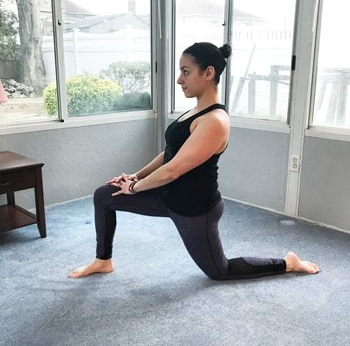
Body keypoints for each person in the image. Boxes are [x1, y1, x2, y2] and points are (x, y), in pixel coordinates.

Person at [69, 42, 320, 279]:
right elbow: (170, 153)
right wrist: (136, 176)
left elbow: (173, 170)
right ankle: (104, 261)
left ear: (208, 72)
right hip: (167, 196)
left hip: (194, 209)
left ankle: (288, 263)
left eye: (186, 72)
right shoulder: (193, 111)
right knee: (104, 195)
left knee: (220, 271)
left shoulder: (215, 121)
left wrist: (133, 188)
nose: (179, 79)